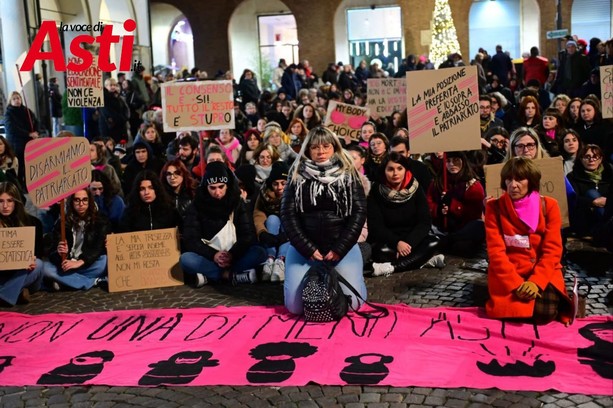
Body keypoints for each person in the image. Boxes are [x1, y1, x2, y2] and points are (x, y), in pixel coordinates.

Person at [280, 126, 367, 315]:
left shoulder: (349, 174)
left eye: (326, 146)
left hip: (340, 247)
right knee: (294, 308)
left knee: (355, 305)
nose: (321, 152)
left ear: (334, 147)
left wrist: (340, 248)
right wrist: (307, 248)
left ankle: (354, 279)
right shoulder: (296, 174)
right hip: (304, 249)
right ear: (308, 150)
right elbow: (287, 214)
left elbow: (359, 213)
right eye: (315, 147)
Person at [485, 157, 572, 325]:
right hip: (511, 273)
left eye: (519, 179)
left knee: (544, 314)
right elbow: (496, 253)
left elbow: (553, 250)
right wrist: (516, 284)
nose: (513, 185)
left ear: (531, 181)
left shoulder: (549, 205)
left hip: (542, 270)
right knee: (516, 312)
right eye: (509, 179)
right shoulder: (494, 207)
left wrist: (535, 282)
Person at [180, 162, 267, 287]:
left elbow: (248, 234)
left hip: (234, 255)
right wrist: (213, 255)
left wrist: (231, 254)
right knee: (186, 259)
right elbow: (191, 239)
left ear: (228, 185)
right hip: (208, 257)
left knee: (259, 252)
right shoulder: (196, 205)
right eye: (213, 188)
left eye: (221, 187)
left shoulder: (237, 202)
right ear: (206, 187)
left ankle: (211, 276)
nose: (217, 192)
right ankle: (230, 276)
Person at [367, 152, 440, 276]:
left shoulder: (416, 187)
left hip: (411, 239)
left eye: (399, 169)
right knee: (380, 251)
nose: (395, 173)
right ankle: (420, 261)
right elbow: (376, 226)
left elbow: (424, 222)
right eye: (390, 169)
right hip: (389, 241)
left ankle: (393, 267)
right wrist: (397, 243)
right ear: (384, 170)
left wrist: (409, 243)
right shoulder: (376, 190)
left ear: (406, 170)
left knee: (433, 242)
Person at [43, 189, 110, 290]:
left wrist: (80, 262)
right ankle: (93, 282)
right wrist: (60, 253)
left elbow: (97, 248)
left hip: (87, 263)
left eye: (84, 200)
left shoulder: (100, 221)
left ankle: (67, 282)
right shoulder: (62, 223)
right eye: (77, 200)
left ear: (90, 201)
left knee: (104, 261)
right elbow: (52, 251)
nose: (81, 204)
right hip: (68, 264)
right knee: (45, 268)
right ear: (72, 202)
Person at [427, 151, 485, 256]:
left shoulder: (473, 185)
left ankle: (448, 241)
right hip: (440, 228)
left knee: (478, 228)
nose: (452, 164)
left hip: (464, 228)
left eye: (456, 160)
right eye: (448, 161)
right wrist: (439, 209)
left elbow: (474, 212)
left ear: (463, 162)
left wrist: (453, 206)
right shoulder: (437, 183)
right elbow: (429, 204)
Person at [0, 182, 44, 305]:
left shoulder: (33, 222)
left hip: (23, 274)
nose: (5, 206)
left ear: (17, 202)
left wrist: (30, 260)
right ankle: (15, 293)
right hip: (1, 275)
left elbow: (38, 254)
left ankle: (5, 294)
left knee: (39, 265)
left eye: (10, 201)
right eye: (1, 201)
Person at [254, 161, 291, 282]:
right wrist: (262, 232)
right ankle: (270, 259)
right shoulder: (264, 193)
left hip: (289, 227)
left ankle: (281, 260)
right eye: (275, 184)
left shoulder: (294, 193)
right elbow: (258, 213)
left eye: (283, 183)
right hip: (272, 226)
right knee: (272, 219)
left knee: (287, 219)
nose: (279, 187)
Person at [567, 144, 612, 237]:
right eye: (587, 157)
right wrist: (593, 202)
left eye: (595, 157)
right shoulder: (573, 176)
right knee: (591, 193)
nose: (591, 160)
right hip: (585, 216)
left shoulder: (609, 175)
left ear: (600, 159)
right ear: (581, 159)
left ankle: (603, 230)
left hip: (607, 213)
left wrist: (607, 202)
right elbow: (573, 198)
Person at [4, 91, 40, 182]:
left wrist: (37, 131)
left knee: (29, 165)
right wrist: (28, 134)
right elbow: (12, 129)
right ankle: (20, 183)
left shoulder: (27, 111)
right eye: (14, 99)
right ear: (10, 101)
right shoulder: (9, 114)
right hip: (16, 144)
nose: (17, 100)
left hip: (29, 143)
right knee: (19, 165)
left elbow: (36, 122)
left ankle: (29, 183)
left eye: (18, 98)